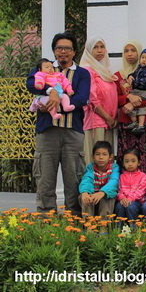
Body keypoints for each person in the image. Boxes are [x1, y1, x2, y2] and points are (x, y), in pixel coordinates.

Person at [26, 32, 91, 215]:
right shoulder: (44, 68)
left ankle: (74, 219)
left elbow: (82, 97)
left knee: (74, 178)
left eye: (67, 48)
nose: (63, 52)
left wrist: (56, 104)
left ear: (74, 51)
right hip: (47, 131)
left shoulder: (82, 73)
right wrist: (51, 92)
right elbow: (31, 83)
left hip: (72, 131)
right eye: (59, 48)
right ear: (54, 51)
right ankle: (46, 219)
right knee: (45, 178)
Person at [115, 40, 146, 177]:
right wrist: (127, 99)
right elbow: (115, 98)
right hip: (126, 122)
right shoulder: (117, 75)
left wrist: (133, 102)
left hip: (145, 121)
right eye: (126, 51)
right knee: (127, 157)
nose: (129, 54)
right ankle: (126, 193)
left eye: (133, 50)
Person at [80, 37, 118, 162]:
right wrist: (107, 117)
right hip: (96, 122)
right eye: (95, 47)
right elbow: (91, 98)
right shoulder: (87, 70)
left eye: (102, 47)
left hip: (108, 122)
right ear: (89, 51)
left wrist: (112, 118)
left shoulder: (105, 71)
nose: (99, 50)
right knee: (96, 160)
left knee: (107, 162)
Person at [78, 141, 120, 218]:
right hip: (93, 193)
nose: (101, 157)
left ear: (110, 157)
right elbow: (87, 179)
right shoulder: (90, 167)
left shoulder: (114, 167)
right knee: (84, 197)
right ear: (92, 157)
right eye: (97, 154)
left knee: (108, 197)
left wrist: (103, 192)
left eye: (104, 154)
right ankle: (89, 225)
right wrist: (85, 192)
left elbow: (114, 181)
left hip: (106, 193)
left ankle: (103, 225)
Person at [125, 47, 146, 135]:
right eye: (142, 57)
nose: (144, 60)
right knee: (132, 103)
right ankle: (134, 122)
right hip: (138, 91)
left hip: (145, 92)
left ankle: (140, 125)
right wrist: (130, 76)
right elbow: (134, 74)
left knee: (141, 107)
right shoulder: (140, 68)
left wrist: (134, 81)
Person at [115, 148, 146, 221]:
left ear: (139, 162)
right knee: (119, 206)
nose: (130, 164)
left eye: (133, 161)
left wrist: (130, 199)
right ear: (123, 164)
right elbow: (119, 190)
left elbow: (141, 191)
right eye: (127, 161)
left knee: (131, 206)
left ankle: (134, 228)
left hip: (137, 202)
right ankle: (119, 229)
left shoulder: (143, 176)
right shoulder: (121, 176)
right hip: (124, 200)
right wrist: (122, 198)